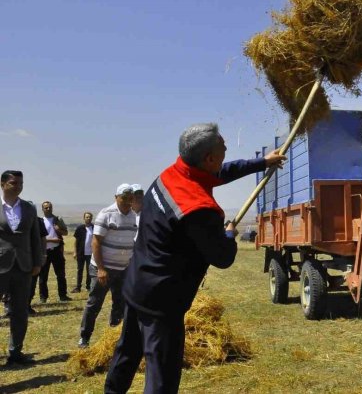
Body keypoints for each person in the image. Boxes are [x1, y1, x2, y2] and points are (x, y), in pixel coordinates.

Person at [105, 123, 285, 394]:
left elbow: (219, 173)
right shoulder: (198, 208)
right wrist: (228, 234)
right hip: (162, 301)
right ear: (209, 158)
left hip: (136, 285)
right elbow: (222, 257)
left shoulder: (171, 174)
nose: (227, 148)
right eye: (223, 147)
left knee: (126, 354)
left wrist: (261, 163)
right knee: (161, 375)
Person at [78, 184, 138, 348]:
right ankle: (84, 337)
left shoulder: (134, 216)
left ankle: (114, 335)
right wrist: (101, 269)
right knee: (94, 303)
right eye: (123, 198)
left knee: (120, 303)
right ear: (116, 197)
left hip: (123, 269)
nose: (127, 202)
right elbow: (96, 243)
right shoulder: (106, 214)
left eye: (130, 198)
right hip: (103, 268)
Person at [0, 170, 44, 365]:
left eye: (20, 183)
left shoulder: (29, 208)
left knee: (20, 311)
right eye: (13, 183)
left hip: (23, 266)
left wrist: (37, 262)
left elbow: (35, 237)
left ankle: (15, 352)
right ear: (2, 184)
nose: (18, 186)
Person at [37, 200, 70, 303]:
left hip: (56, 251)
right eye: (46, 207)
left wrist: (58, 230)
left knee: (60, 275)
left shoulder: (57, 219)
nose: (48, 209)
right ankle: (43, 297)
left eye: (50, 207)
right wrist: (51, 240)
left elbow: (66, 232)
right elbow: (37, 237)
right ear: (42, 209)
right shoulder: (40, 221)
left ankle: (63, 296)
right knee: (43, 276)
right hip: (44, 252)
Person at [71, 212, 94, 293]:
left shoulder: (94, 228)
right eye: (87, 217)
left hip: (91, 254)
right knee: (79, 270)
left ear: (92, 218)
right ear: (84, 218)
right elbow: (76, 241)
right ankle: (78, 287)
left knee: (89, 271)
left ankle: (88, 287)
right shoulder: (80, 228)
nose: (88, 218)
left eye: (90, 217)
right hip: (81, 253)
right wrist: (75, 252)